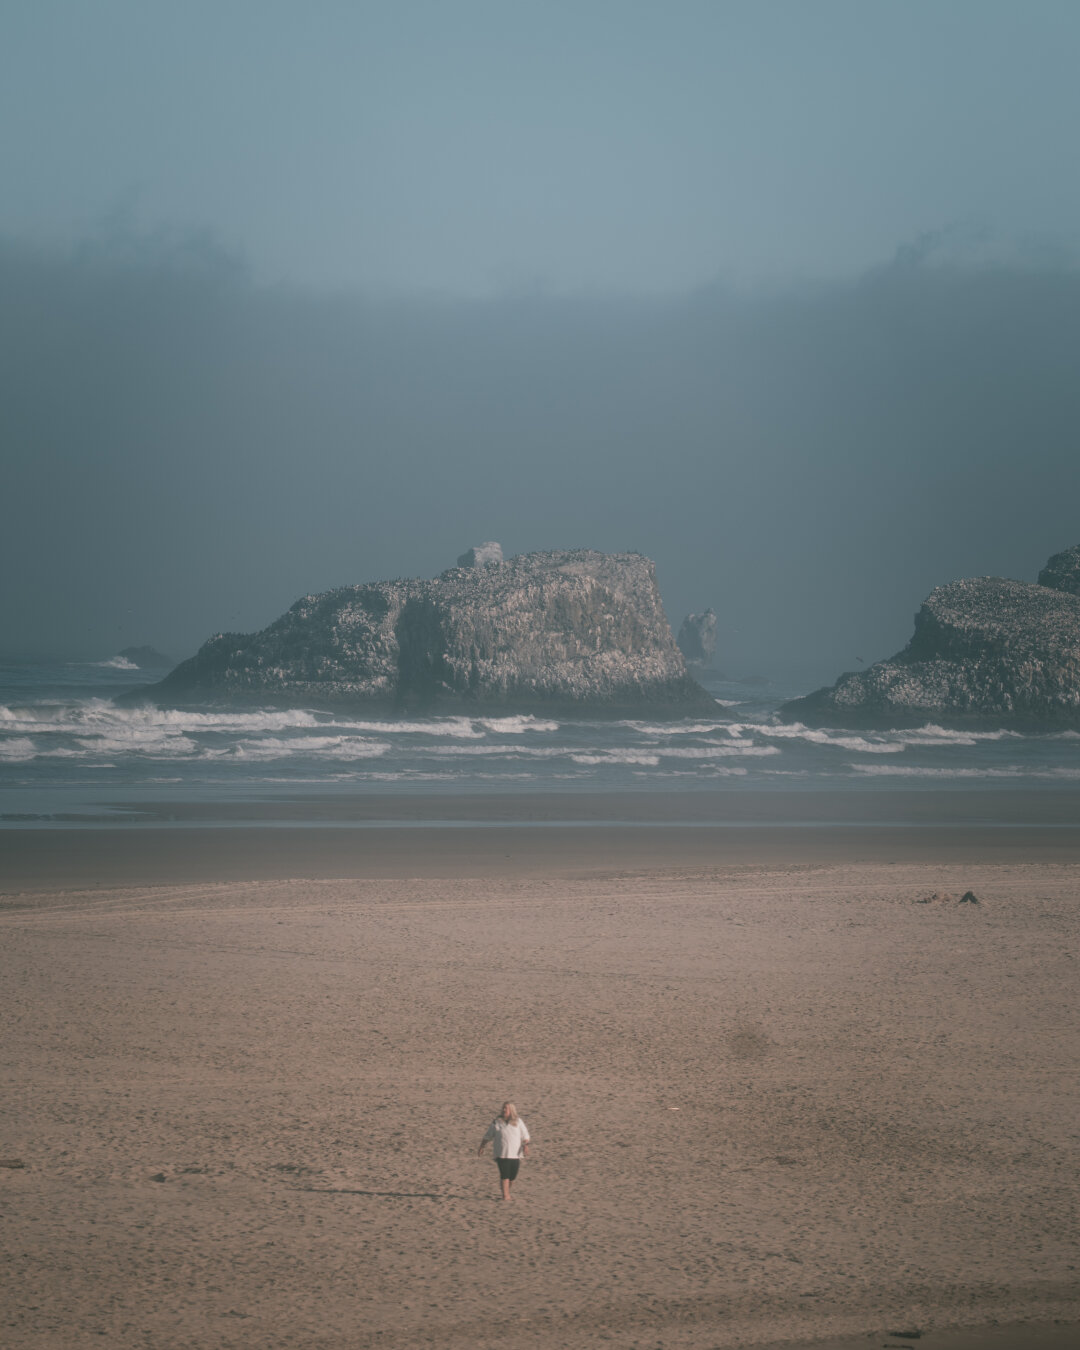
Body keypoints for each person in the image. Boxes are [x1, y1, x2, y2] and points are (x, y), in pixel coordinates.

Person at [477, 1101, 531, 1201]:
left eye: (506, 1108)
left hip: (515, 1154)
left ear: (511, 1110)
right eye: (503, 1108)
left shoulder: (518, 1121)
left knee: (512, 1178)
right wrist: (482, 1146)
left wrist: (525, 1146)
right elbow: (488, 1135)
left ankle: (506, 1191)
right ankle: (505, 1196)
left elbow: (525, 1136)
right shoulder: (497, 1122)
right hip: (502, 1154)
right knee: (505, 1176)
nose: (504, 1110)